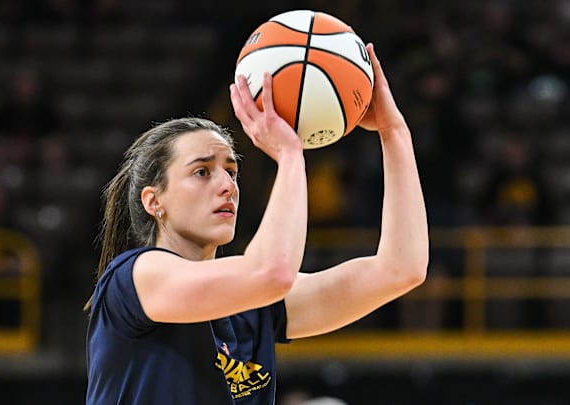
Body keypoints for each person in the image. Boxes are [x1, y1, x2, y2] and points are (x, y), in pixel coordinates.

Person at [85, 43, 428, 404]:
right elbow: (272, 272)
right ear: (154, 201)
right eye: (202, 171)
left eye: (231, 171)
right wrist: (291, 156)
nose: (226, 185)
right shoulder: (137, 276)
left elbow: (401, 269)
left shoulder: (253, 304)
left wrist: (394, 133)